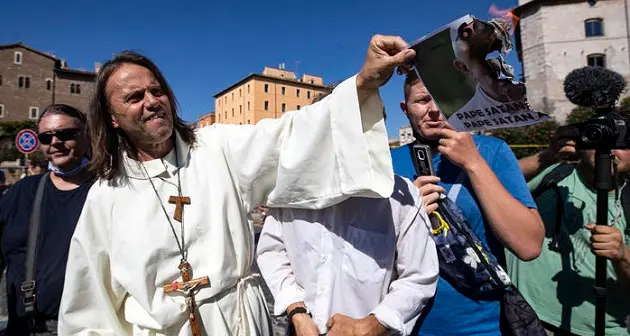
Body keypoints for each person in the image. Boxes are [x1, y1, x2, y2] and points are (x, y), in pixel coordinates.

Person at [58, 34, 416, 335]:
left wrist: (362, 83)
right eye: (135, 98)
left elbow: (291, 136)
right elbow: (89, 307)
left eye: (157, 91)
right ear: (113, 119)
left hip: (241, 322)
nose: (152, 102)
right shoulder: (106, 197)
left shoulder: (216, 147)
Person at [390, 72, 544, 336]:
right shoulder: (387, 162)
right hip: (405, 325)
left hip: (483, 326)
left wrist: (473, 163)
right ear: (405, 109)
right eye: (423, 100)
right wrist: (406, 217)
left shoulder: (492, 151)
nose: (434, 110)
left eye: (443, 99)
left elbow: (529, 245)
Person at [256, 167, 438, 335]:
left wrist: (370, 325)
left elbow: (419, 276)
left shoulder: (399, 197)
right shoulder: (289, 191)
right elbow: (273, 251)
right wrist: (297, 311)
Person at [508, 135, 630, 335]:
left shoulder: (627, 201)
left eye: (623, 144)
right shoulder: (556, 173)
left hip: (596, 329)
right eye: (600, 140)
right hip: (526, 317)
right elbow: (496, 179)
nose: (609, 151)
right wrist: (547, 156)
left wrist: (622, 254)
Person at [0, 104, 94, 335]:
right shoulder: (22, 192)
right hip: (25, 329)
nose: (55, 142)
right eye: (46, 137)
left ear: (87, 135)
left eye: (66, 134)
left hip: (88, 329)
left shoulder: (106, 191)